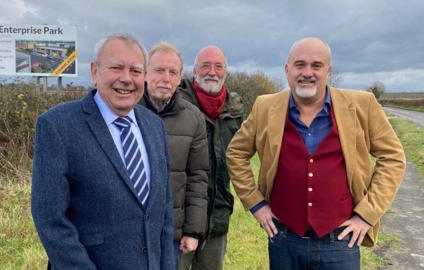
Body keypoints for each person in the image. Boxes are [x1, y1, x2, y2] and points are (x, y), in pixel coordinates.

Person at [226, 37, 406, 270]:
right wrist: (256, 204)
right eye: (300, 64)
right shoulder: (264, 106)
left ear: (328, 71)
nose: (307, 72)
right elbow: (236, 153)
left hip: (341, 242)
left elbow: (393, 157)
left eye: (316, 65)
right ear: (287, 69)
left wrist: (366, 215)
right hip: (284, 240)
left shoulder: (363, 104)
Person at [31, 33, 174, 270]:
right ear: (95, 72)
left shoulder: (154, 125)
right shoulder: (57, 126)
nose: (127, 79)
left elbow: (164, 211)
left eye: (136, 71)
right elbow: (51, 220)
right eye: (117, 67)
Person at [139, 41, 209, 268]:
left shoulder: (194, 118)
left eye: (173, 72)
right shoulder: (125, 110)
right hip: (131, 230)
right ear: (146, 72)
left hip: (171, 234)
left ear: (180, 78)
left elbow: (198, 176)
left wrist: (193, 230)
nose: (166, 78)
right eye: (159, 70)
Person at [178, 45, 243, 270]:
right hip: (179, 220)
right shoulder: (175, 105)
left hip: (217, 217)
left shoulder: (236, 111)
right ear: (194, 70)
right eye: (205, 66)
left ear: (226, 71)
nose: (211, 72)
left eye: (218, 66)